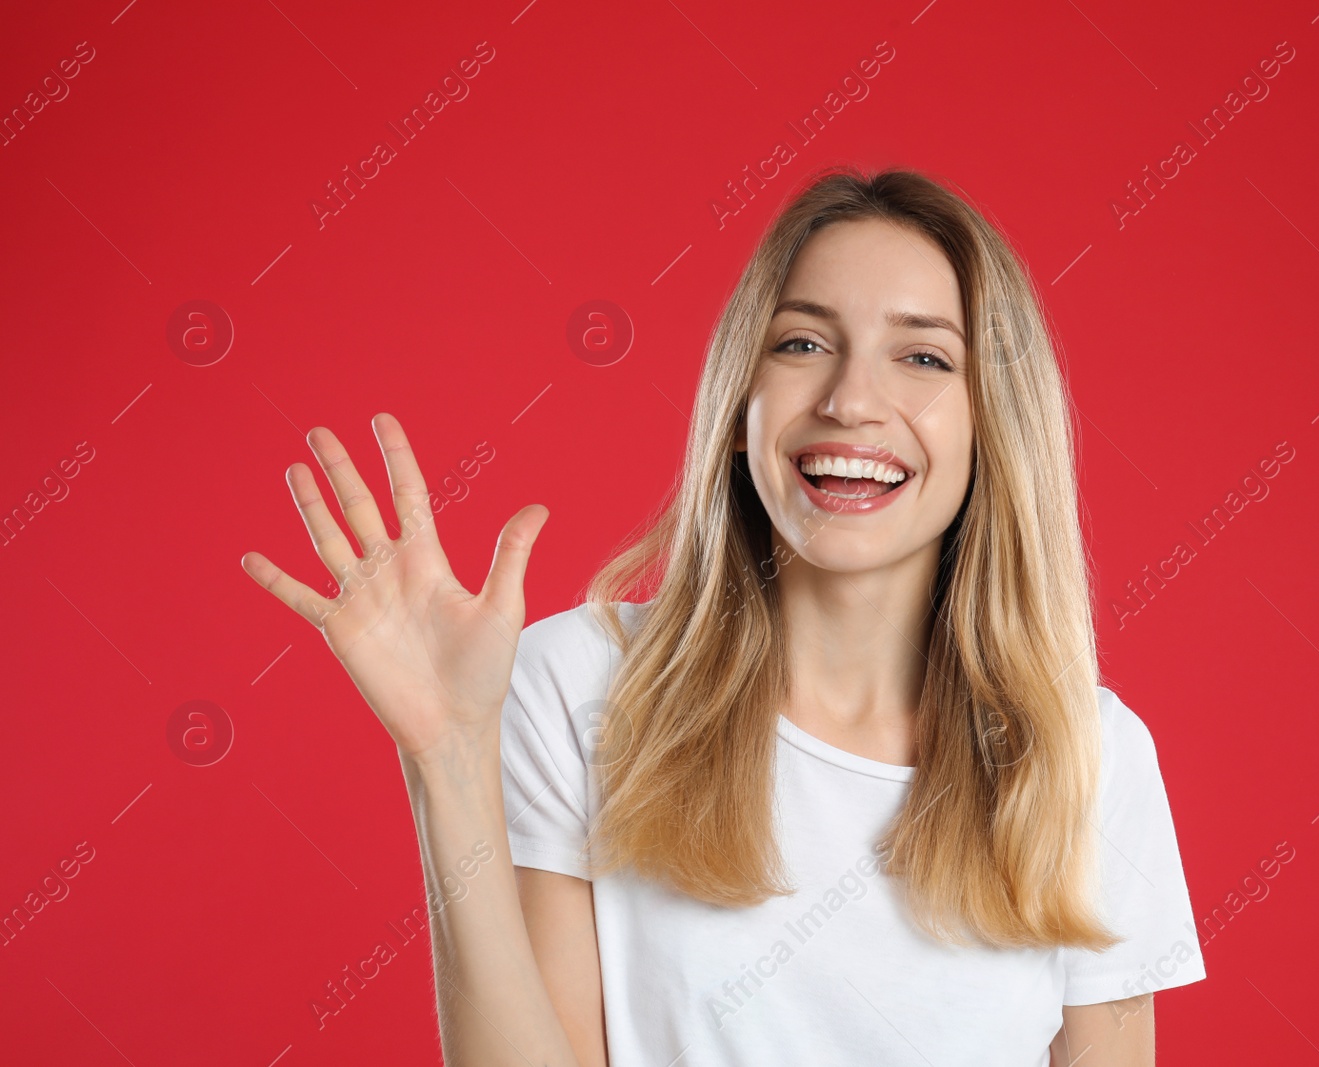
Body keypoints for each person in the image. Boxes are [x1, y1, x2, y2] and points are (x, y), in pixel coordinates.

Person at [242, 166, 1206, 1067]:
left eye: (922, 355)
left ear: (996, 417)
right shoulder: (578, 681)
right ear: (740, 398)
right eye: (802, 342)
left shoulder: (1089, 755)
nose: (851, 399)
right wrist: (448, 755)